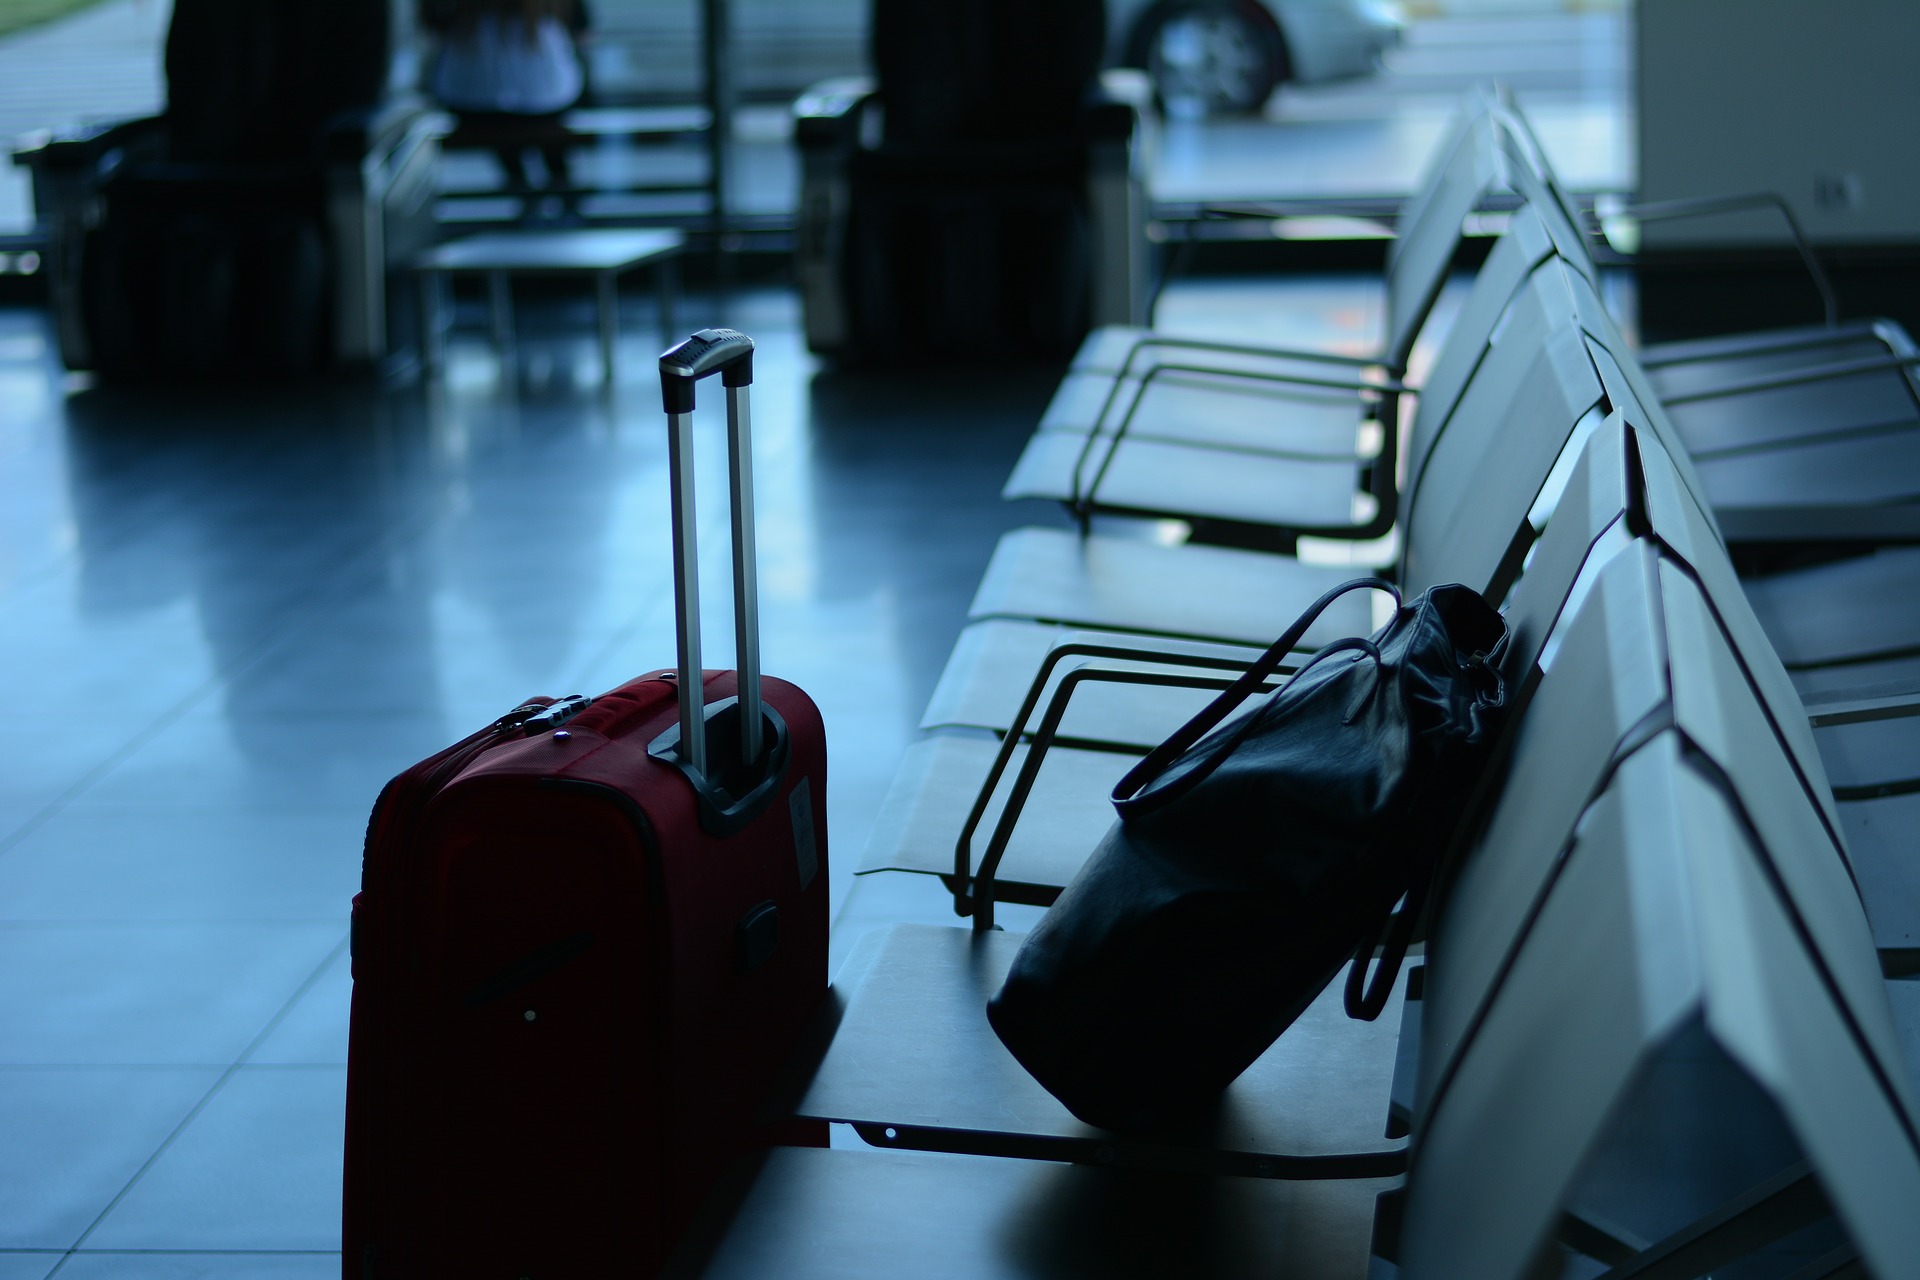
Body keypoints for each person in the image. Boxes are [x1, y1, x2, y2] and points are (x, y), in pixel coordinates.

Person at [421, 0, 591, 205]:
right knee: (548, 143)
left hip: (474, 100)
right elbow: (582, 30)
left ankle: (527, 196)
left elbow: (432, 25)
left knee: (510, 136)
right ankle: (562, 198)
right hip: (544, 94)